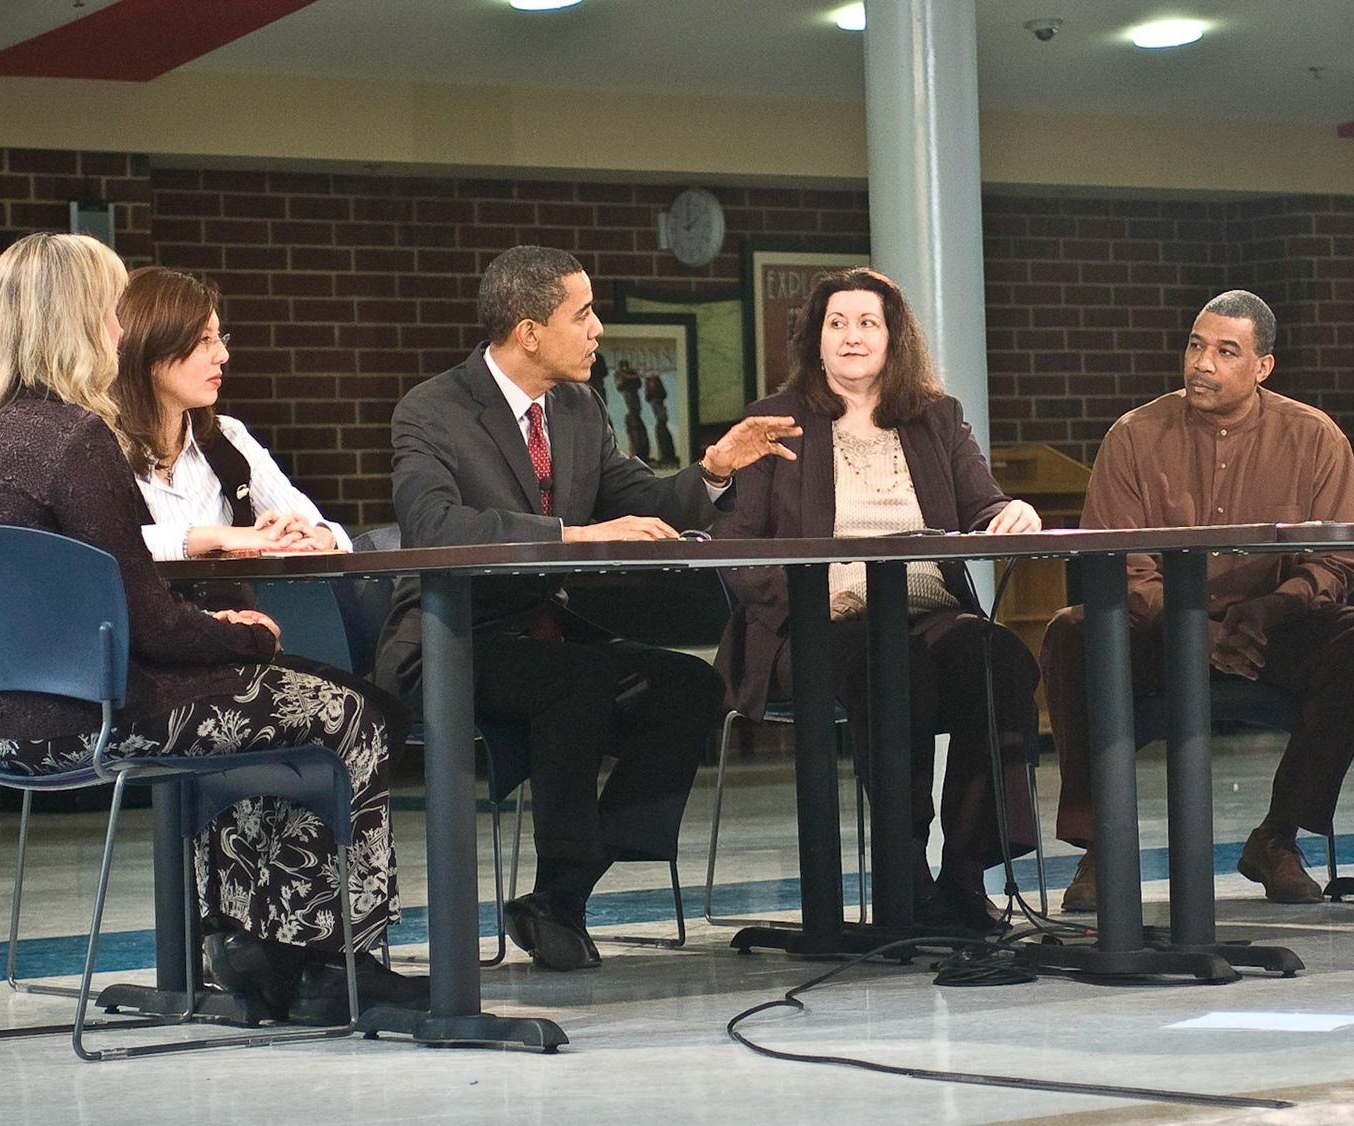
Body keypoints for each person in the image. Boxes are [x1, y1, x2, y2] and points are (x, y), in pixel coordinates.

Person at [0, 232, 423, 1023]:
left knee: (277, 707)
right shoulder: (78, 439)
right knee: (350, 713)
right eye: (113, 310)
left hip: (2, 724)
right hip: (100, 715)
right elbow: (151, 623)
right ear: (87, 320)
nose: (121, 329)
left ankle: (262, 946)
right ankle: (339, 965)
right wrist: (249, 634)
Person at [377, 245, 799, 971]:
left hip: (547, 637)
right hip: (452, 641)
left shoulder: (577, 407)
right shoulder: (434, 409)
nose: (599, 329)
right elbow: (433, 528)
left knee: (687, 684)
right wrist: (572, 532)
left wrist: (714, 469)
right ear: (529, 330)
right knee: (576, 679)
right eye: (585, 314)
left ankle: (562, 891)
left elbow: (646, 505)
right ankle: (564, 899)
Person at [714, 267, 1044, 931]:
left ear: (895, 338)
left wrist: (1016, 512)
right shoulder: (773, 423)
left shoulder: (935, 418)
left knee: (1000, 658)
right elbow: (736, 545)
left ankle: (965, 872)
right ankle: (905, 868)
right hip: (813, 624)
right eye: (837, 323)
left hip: (928, 610)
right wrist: (812, 601)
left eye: (868, 323)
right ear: (815, 339)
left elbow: (985, 504)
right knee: (894, 666)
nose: (852, 336)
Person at [1046, 290, 1354, 909]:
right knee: (1073, 633)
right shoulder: (1134, 436)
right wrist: (1190, 629)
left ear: (1263, 367)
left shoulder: (1314, 437)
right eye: (1196, 346)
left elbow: (1338, 559)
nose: (1202, 363)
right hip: (1156, 627)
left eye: (1225, 351)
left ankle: (1278, 837)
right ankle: (1103, 847)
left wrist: (1272, 609)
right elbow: (1118, 560)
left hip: (1270, 631)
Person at [112, 265, 348, 562]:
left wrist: (319, 535)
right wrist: (219, 536)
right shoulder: (98, 447)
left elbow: (326, 530)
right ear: (150, 348)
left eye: (219, 339)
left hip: (240, 610)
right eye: (204, 340)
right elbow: (100, 546)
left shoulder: (228, 437)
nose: (223, 355)